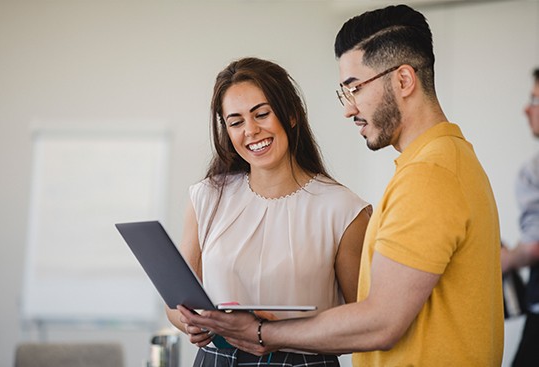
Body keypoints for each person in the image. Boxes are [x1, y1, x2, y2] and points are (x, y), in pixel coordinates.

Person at [178, 4, 504, 366]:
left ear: (404, 80)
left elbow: (380, 321)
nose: (349, 109)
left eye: (355, 88)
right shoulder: (443, 162)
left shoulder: (429, 176)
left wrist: (261, 334)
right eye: (235, 121)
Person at [165, 57, 372, 366]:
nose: (251, 131)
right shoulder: (206, 197)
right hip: (216, 358)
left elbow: (365, 322)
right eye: (236, 122)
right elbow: (175, 304)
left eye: (261, 114)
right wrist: (191, 323)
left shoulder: (343, 209)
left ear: (290, 115)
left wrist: (272, 333)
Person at [501, 68, 539, 367]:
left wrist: (502, 259)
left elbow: (535, 246)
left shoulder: (534, 171)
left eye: (535, 100)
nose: (527, 109)